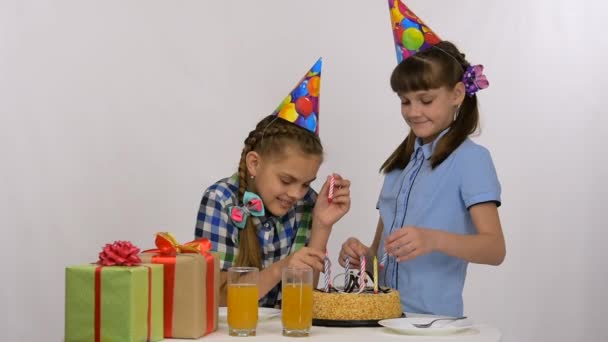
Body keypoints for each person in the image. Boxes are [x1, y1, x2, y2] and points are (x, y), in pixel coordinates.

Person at [339, 2, 505, 317]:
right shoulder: (399, 165)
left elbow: (495, 249)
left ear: (457, 94)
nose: (414, 111)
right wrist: (363, 258)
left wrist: (433, 239)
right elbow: (380, 258)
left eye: (426, 100)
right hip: (384, 320)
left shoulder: (471, 160)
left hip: (433, 326)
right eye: (405, 101)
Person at [195, 58, 351, 307]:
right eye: (287, 180)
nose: (297, 193)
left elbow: (301, 300)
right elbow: (218, 298)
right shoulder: (220, 200)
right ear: (254, 163)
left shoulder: (307, 202)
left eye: (305, 183)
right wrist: (282, 269)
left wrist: (322, 226)